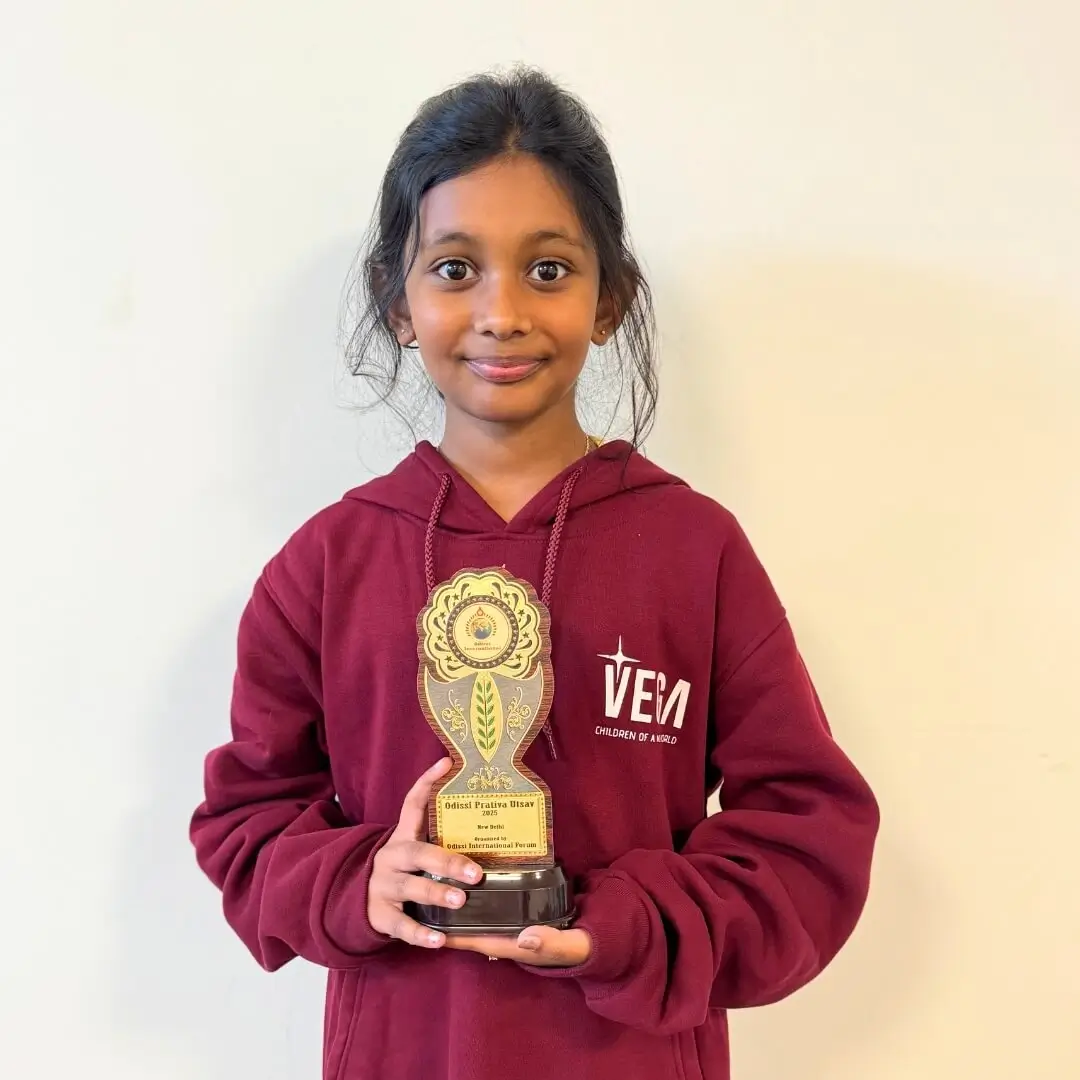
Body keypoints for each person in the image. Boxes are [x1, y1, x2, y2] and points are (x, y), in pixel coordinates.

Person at [190, 67, 879, 1080]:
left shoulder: (697, 551)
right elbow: (245, 823)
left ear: (610, 299)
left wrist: (631, 926)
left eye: (548, 269)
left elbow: (808, 835)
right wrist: (357, 880)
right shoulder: (325, 565)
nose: (502, 311)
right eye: (455, 268)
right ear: (395, 298)